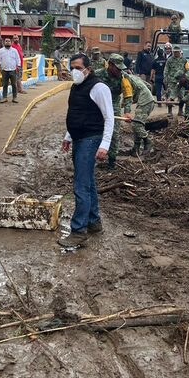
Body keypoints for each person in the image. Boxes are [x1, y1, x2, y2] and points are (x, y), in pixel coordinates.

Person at [60, 53, 115, 247]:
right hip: (78, 138)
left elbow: (109, 118)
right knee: (88, 182)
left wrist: (104, 145)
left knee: (81, 185)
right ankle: (93, 222)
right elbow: (76, 112)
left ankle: (78, 231)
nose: (74, 71)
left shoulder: (99, 88)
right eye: (71, 67)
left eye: (77, 67)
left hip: (91, 139)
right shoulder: (77, 86)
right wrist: (68, 136)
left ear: (88, 68)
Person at [93, 54, 130, 170]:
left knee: (114, 133)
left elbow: (128, 94)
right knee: (95, 131)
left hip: (113, 104)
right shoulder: (97, 74)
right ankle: (93, 158)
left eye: (121, 68)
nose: (119, 71)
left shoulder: (124, 77)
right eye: (117, 68)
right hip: (97, 105)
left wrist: (127, 111)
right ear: (110, 65)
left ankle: (112, 161)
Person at [120, 66, 156, 155]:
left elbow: (128, 96)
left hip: (145, 102)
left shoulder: (125, 80)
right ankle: (136, 148)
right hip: (148, 100)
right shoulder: (134, 77)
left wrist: (125, 106)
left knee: (136, 124)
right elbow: (148, 86)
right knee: (138, 124)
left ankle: (148, 141)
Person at [163, 46, 189, 115]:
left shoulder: (184, 60)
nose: (175, 53)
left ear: (179, 52)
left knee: (181, 96)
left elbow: (187, 70)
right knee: (170, 96)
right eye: (174, 52)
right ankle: (170, 111)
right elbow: (166, 70)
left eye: (177, 52)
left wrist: (186, 77)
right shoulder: (170, 60)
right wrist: (165, 79)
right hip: (172, 81)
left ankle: (180, 111)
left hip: (181, 81)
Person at [0, 37, 21, 103]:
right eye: (6, 41)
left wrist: (18, 66)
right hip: (4, 70)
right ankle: (4, 98)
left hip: (13, 70)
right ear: (4, 42)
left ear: (11, 42)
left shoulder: (14, 50)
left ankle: (14, 97)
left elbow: (18, 58)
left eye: (9, 41)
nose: (7, 42)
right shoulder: (1, 51)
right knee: (5, 84)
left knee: (14, 84)